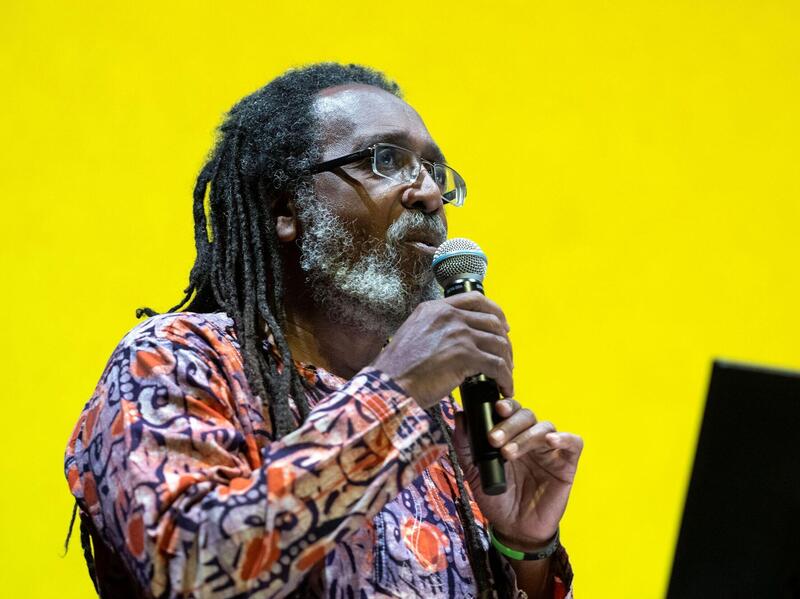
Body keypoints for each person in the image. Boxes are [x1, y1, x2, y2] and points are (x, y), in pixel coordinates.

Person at [64, 63, 583, 598]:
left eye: (435, 171)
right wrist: (396, 394)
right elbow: (189, 571)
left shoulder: (448, 432)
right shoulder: (176, 360)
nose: (429, 193)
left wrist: (524, 549)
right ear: (286, 208)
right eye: (386, 161)